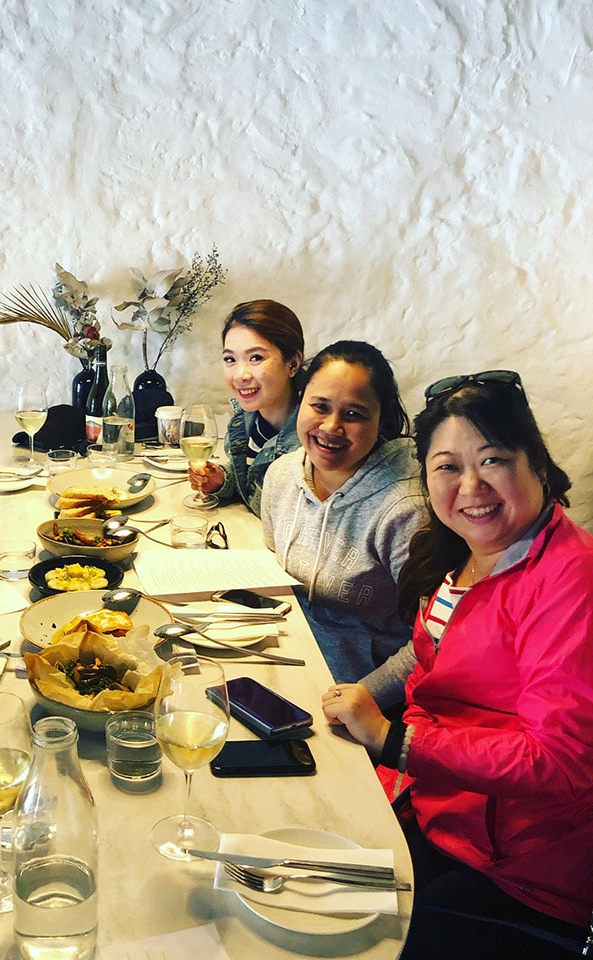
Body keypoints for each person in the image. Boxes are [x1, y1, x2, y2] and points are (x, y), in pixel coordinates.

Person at [322, 372, 593, 959]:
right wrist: (392, 778)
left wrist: (396, 742)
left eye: (493, 460)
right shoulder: (463, 554)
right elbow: (432, 687)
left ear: (537, 463)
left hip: (523, 869)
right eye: (447, 466)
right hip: (440, 811)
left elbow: (560, 761)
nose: (472, 486)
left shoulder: (571, 579)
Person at [261, 340, 428, 684]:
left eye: (354, 414)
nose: (331, 427)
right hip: (281, 658)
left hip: (358, 687)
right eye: (320, 406)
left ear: (381, 420)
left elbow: (434, 638)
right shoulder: (281, 474)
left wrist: (368, 695)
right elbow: (271, 572)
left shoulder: (406, 510)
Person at [190, 299, 304, 515]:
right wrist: (223, 480)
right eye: (230, 359)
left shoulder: (312, 444)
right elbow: (253, 476)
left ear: (293, 363)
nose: (240, 375)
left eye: (256, 358)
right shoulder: (246, 420)